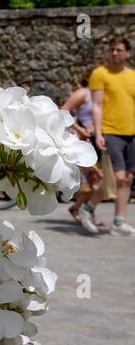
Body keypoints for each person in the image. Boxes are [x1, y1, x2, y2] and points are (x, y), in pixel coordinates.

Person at [90, 36, 135, 236]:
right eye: (112, 50)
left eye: (119, 50)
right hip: (111, 131)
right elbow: (97, 106)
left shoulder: (133, 76)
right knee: (117, 178)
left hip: (132, 133)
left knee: (128, 178)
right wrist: (98, 133)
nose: (115, 53)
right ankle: (88, 207)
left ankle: (118, 221)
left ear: (128, 53)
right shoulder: (100, 74)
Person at [62, 83, 106, 233]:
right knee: (94, 181)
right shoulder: (84, 93)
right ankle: (79, 210)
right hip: (85, 143)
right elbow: (63, 111)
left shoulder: (106, 94)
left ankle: (82, 210)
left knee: (97, 182)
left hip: (100, 144)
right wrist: (80, 130)